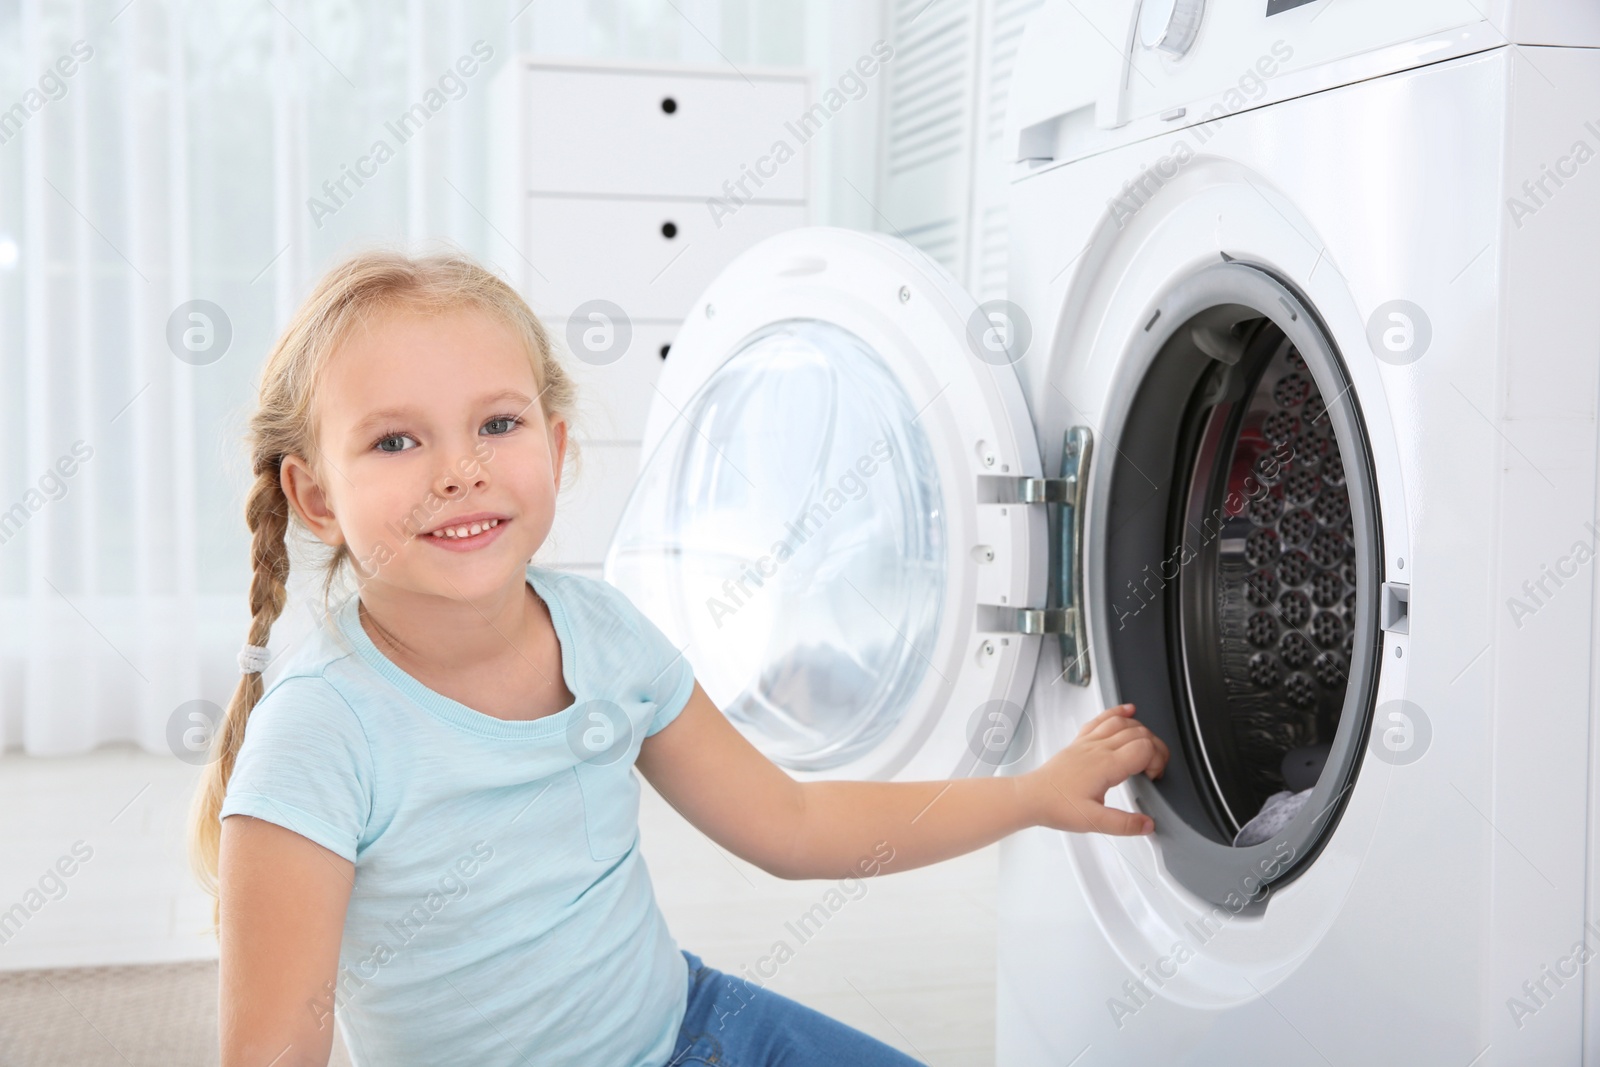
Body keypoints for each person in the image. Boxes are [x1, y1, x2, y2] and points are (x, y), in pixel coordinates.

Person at [185, 247, 1170, 1067]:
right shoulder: (319, 730)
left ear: (557, 446)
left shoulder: (606, 633)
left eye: (497, 422)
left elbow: (792, 822)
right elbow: (273, 1048)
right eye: (396, 440)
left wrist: (1032, 791)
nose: (461, 469)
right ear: (315, 497)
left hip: (696, 1027)